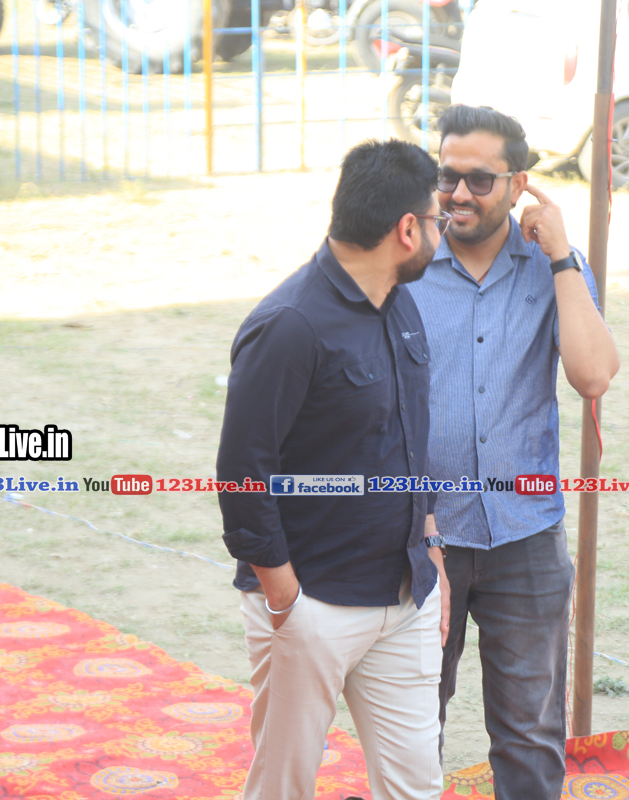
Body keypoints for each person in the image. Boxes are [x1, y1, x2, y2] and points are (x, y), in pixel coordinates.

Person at [216, 138, 454, 800]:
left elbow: (416, 436)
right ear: (406, 230)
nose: (442, 232)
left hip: (404, 598)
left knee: (416, 788)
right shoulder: (289, 325)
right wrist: (287, 600)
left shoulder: (401, 304)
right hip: (311, 604)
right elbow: (241, 475)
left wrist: (431, 545)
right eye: (435, 219)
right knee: (283, 787)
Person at [407, 105, 620, 799]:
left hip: (524, 537)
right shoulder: (407, 261)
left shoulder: (552, 267)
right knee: (413, 726)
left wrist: (561, 257)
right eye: (447, 176)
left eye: (480, 179)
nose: (459, 193)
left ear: (519, 183)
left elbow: (593, 376)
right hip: (419, 535)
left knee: (529, 736)